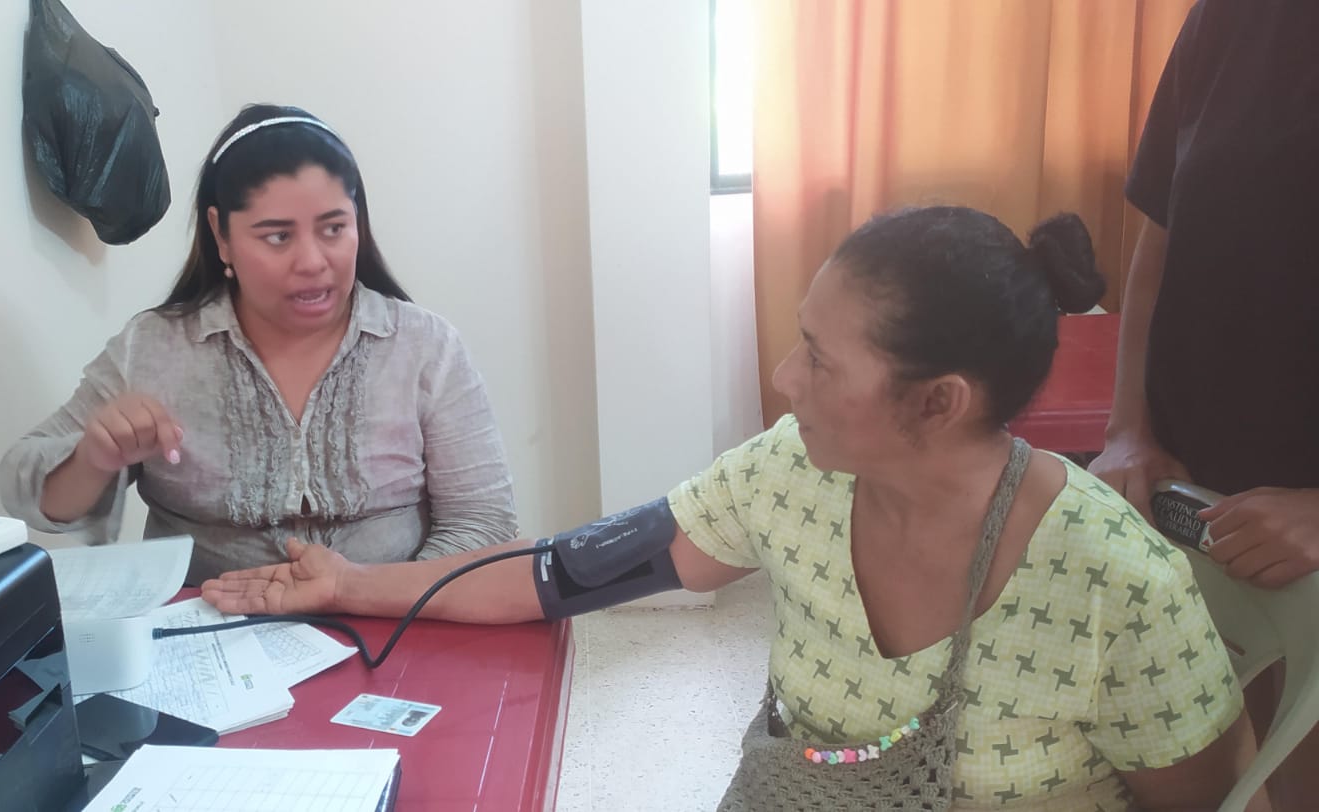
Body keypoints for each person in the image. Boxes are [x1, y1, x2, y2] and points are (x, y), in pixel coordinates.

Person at [204, 207, 1267, 811]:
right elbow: (563, 572)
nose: (782, 375)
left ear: (938, 402)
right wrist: (351, 583)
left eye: (818, 356)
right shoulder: (789, 475)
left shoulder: (1117, 586)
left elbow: (1211, 802)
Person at [0, 104, 518, 585]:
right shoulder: (153, 348)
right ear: (221, 235)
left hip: (394, 626)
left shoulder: (426, 347)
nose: (312, 261)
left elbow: (484, 521)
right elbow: (24, 489)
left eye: (334, 228)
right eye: (277, 236)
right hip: (211, 634)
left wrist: (365, 595)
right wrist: (93, 457)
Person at [1089, 2, 1319, 808]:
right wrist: (1128, 430)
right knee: (1211, 758)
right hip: (1198, 479)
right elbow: (1162, 233)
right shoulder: (1228, 16)